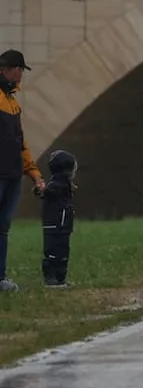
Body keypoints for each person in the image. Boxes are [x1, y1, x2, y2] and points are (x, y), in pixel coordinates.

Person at [0, 49, 46, 293]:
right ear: (10, 69)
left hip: (12, 176)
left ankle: (0, 277)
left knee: (3, 226)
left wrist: (35, 174)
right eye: (20, 70)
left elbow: (20, 144)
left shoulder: (12, 103)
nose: (21, 76)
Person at [39, 150, 76, 288]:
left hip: (64, 225)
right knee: (53, 251)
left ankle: (61, 277)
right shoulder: (56, 184)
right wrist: (41, 189)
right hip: (54, 225)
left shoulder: (64, 184)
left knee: (63, 251)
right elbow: (47, 192)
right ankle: (51, 277)